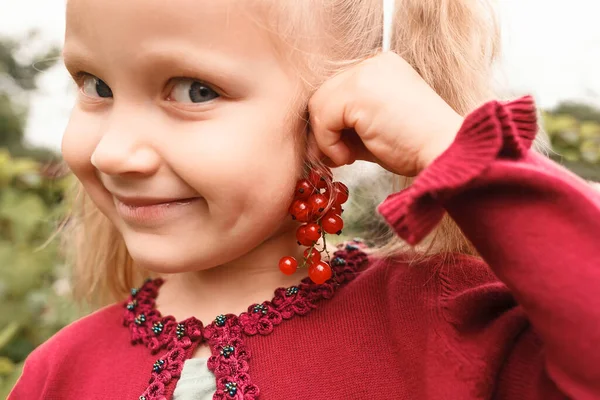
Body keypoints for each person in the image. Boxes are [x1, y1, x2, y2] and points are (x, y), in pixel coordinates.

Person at [8, 0, 600, 399]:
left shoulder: (444, 327)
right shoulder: (57, 373)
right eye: (96, 86)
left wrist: (449, 146)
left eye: (195, 90)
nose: (113, 152)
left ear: (336, 109)